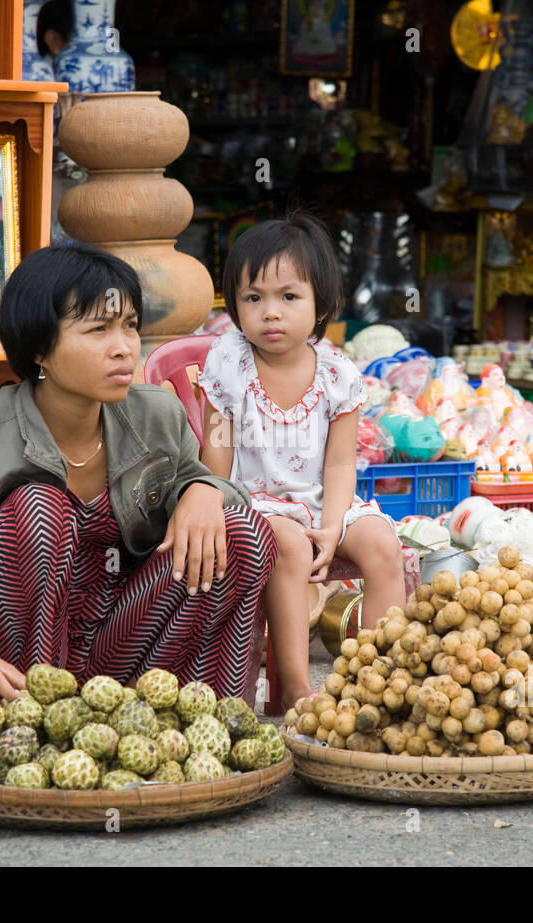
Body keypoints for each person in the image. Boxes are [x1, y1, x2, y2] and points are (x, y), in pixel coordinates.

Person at [0, 244, 277, 711]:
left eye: (130, 326)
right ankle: (38, 727)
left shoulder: (157, 414)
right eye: (98, 329)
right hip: (20, 666)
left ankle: (204, 722)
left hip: (128, 639)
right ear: (40, 348)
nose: (124, 347)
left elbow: (214, 489)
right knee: (36, 507)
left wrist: (204, 490)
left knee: (244, 532)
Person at [198, 211, 404, 709]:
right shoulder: (229, 361)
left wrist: (334, 526)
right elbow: (217, 446)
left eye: (288, 297)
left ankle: (378, 680)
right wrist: (213, 506)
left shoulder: (336, 372)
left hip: (321, 500)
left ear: (320, 306)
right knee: (287, 545)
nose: (271, 312)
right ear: (234, 306)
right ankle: (290, 684)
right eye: (253, 298)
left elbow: (338, 465)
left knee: (382, 544)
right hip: (254, 502)